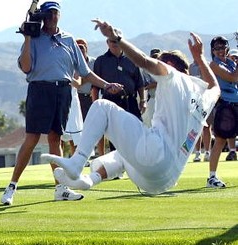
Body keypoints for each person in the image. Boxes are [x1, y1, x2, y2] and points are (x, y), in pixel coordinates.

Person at [41, 20, 220, 195]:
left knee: (102, 106)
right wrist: (200, 58)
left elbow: (143, 61)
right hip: (165, 180)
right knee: (124, 152)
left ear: (170, 66)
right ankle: (90, 179)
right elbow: (215, 87)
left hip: (154, 156)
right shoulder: (203, 97)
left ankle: (78, 161)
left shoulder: (172, 76)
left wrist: (116, 38)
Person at [0, 1, 123, 205]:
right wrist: (28, 38)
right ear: (43, 16)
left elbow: (85, 72)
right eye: (48, 13)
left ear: (59, 15)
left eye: (55, 13)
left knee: (55, 139)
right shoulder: (35, 38)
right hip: (39, 89)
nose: (52, 17)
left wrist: (106, 84)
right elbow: (26, 67)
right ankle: (11, 187)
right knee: (31, 138)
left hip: (63, 90)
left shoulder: (68, 39)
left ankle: (60, 188)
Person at [91, 31, 147, 155]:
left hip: (130, 101)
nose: (114, 43)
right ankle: (117, 167)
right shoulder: (100, 61)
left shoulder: (132, 59)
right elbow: (95, 88)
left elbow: (140, 84)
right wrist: (96, 106)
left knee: (136, 131)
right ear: (107, 42)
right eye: (112, 41)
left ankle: (137, 164)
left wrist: (143, 101)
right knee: (115, 135)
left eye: (117, 41)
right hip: (111, 102)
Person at [206, 36, 238, 187]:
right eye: (217, 48)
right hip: (224, 105)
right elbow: (233, 77)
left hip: (235, 103)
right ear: (212, 50)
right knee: (220, 140)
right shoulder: (213, 65)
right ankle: (212, 177)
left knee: (222, 139)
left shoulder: (231, 62)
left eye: (223, 47)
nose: (220, 51)